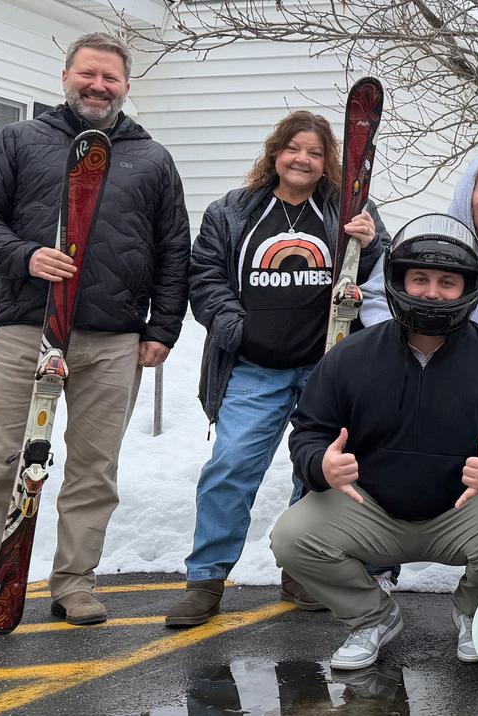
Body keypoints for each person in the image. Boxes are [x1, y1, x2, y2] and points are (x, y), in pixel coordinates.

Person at [0, 32, 190, 633]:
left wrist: (162, 328)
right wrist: (24, 256)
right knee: (3, 463)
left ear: (126, 86)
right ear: (65, 77)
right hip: (28, 328)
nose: (98, 86)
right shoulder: (20, 141)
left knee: (94, 467)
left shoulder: (152, 159)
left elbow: (173, 249)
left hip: (113, 338)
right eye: (88, 74)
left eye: (110, 77)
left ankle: (75, 584)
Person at [271, 214, 478, 671]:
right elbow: (309, 430)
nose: (432, 292)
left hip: (461, 512)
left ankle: (474, 611)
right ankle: (372, 617)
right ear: (398, 280)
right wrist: (320, 463)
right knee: (292, 536)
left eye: (447, 282)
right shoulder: (350, 357)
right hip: (370, 510)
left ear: (468, 288)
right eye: (420, 279)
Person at [165, 111, 387, 628]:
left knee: (316, 474)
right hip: (254, 368)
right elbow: (205, 277)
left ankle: (301, 570)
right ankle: (205, 580)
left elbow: (380, 276)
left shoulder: (347, 208)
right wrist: (239, 331)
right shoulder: (233, 211)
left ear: (328, 161)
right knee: (230, 467)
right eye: (293, 148)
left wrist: (372, 241)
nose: (302, 159)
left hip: (325, 368)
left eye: (315, 152)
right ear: (275, 152)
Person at [360, 153, 478, 388]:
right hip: (416, 374)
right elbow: (375, 297)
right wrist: (401, 346)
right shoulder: (425, 237)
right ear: (467, 191)